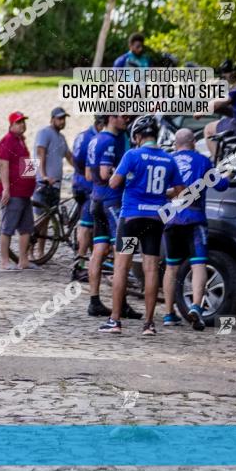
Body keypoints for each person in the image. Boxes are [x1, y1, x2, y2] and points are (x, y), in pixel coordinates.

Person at [99, 116, 184, 335]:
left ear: (137, 136)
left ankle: (115, 320)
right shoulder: (169, 159)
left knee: (121, 266)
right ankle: (149, 324)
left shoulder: (132, 154)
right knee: (151, 269)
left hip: (131, 220)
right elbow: (181, 191)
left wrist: (126, 178)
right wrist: (162, 194)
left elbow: (114, 182)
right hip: (154, 222)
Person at [161, 128, 230, 331]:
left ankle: (168, 313)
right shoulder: (203, 161)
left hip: (171, 219)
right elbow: (221, 186)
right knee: (198, 264)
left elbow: (161, 190)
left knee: (171, 267)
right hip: (194, 218)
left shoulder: (167, 160)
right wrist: (226, 174)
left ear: (176, 143)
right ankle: (196, 308)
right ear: (193, 142)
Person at [85, 114, 142, 318]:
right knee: (123, 249)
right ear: (111, 117)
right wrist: (128, 177)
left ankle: (94, 300)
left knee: (99, 250)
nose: (126, 119)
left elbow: (89, 175)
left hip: (96, 199)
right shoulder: (109, 140)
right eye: (122, 116)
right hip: (112, 202)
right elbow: (103, 173)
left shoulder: (95, 138)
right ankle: (122, 303)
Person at [0, 111, 37, 270]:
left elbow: (25, 164)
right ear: (11, 125)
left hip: (25, 192)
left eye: (23, 122)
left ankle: (23, 260)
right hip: (13, 192)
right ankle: (5, 262)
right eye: (19, 122)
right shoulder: (6, 141)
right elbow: (3, 166)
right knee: (7, 228)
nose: (22, 125)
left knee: (27, 227)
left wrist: (34, 180)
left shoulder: (21, 141)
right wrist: (6, 189)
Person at [33, 106, 74, 257]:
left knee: (48, 219)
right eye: (59, 118)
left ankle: (41, 253)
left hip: (55, 185)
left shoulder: (62, 138)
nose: (62, 121)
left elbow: (69, 157)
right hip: (43, 183)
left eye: (64, 118)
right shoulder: (44, 132)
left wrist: (84, 170)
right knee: (40, 219)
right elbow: (40, 153)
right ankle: (29, 252)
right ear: (52, 119)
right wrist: (43, 175)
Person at [70, 116, 106, 280]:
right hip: (89, 186)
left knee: (87, 226)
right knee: (87, 226)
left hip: (79, 182)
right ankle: (81, 264)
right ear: (100, 124)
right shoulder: (95, 139)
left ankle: (89, 262)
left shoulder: (82, 135)